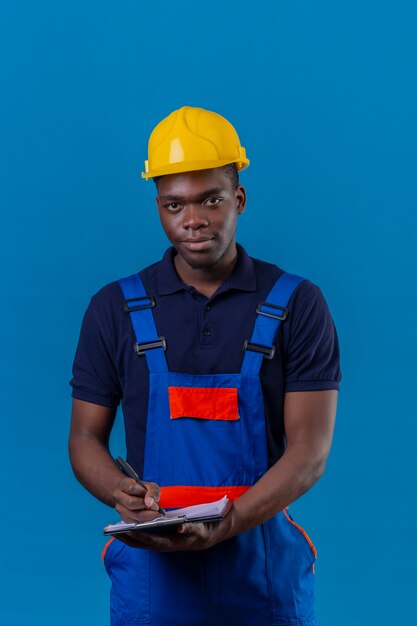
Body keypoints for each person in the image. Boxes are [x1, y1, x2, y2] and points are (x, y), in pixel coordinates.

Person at [69, 106, 341, 626]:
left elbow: (310, 451)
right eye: (174, 204)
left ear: (238, 199)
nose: (192, 220)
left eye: (210, 200)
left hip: (261, 567)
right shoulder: (115, 308)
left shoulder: (297, 304)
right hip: (154, 570)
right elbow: (84, 438)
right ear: (158, 207)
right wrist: (118, 492)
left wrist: (228, 522)